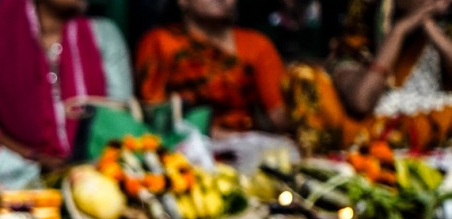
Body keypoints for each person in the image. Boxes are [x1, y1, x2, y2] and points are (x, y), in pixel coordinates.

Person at [0, 0, 132, 195]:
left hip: (96, 163)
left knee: (136, 157)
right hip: (29, 168)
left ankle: (67, 188)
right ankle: (51, 189)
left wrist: (89, 159)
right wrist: (36, 158)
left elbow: (120, 112)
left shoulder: (104, 34)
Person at [289, 0, 452, 153]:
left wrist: (428, 25)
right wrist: (399, 32)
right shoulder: (356, 45)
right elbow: (362, 101)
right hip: (373, 149)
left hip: (434, 144)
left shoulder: (442, 37)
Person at [135, 0, 289, 134]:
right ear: (182, 1)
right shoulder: (160, 42)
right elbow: (152, 115)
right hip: (180, 150)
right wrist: (209, 134)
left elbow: (279, 116)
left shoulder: (258, 45)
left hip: (245, 149)